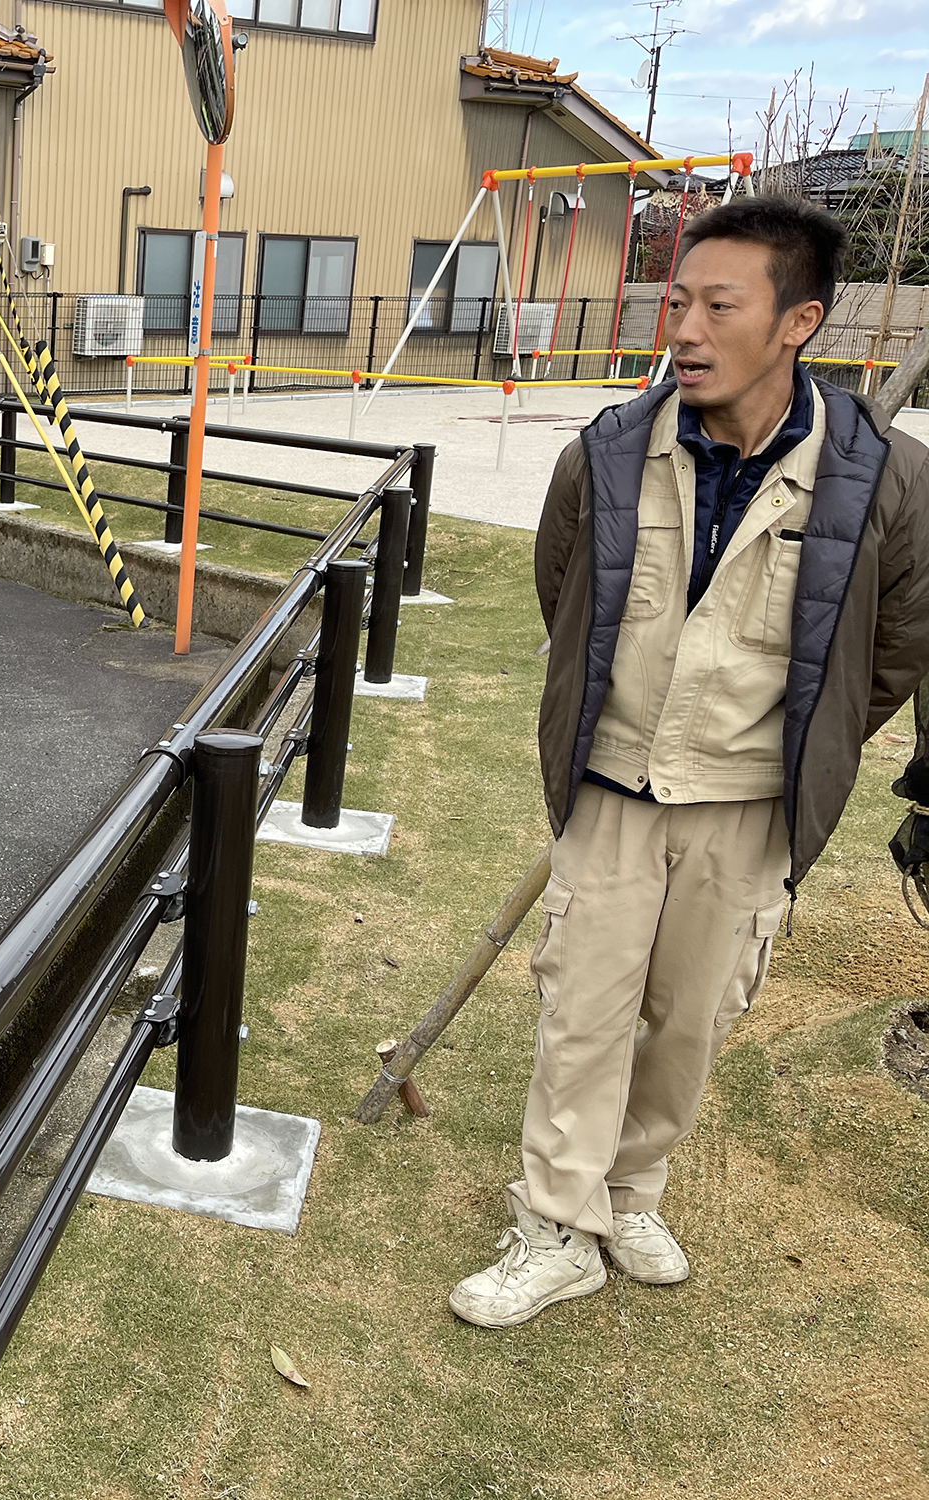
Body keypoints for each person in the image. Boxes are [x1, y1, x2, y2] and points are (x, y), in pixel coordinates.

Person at [451, 196, 929, 1329]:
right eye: (676, 302)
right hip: (614, 786)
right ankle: (553, 1226)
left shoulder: (885, 477)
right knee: (582, 1010)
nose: (684, 329)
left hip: (749, 806)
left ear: (797, 320)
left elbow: (894, 645)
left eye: (718, 305)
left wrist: (801, 749)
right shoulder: (608, 451)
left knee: (690, 1017)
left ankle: (631, 1192)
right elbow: (562, 590)